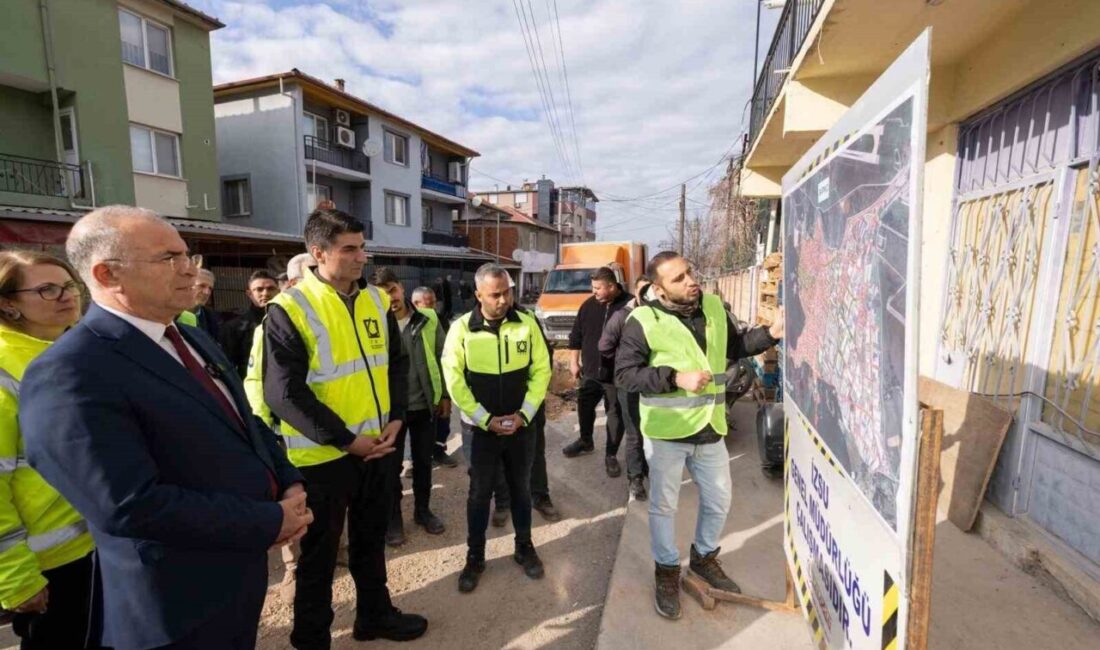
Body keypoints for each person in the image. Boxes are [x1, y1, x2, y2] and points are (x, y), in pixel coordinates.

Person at [19, 205, 312, 650]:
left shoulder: (188, 335)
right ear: (108, 274)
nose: (190, 270)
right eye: (168, 258)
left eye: (187, 256)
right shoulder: (69, 371)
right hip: (174, 606)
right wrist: (267, 520)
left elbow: (241, 420)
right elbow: (127, 504)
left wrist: (288, 482)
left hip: (236, 578)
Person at [262, 208, 426, 647]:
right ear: (318, 253)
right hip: (323, 459)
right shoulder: (290, 309)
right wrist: (347, 440)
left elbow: (395, 363)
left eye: (362, 247)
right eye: (349, 249)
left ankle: (374, 616)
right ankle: (312, 638)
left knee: (370, 542)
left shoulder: (375, 299)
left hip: (377, 447)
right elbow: (284, 394)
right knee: (317, 558)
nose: (361, 257)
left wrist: (395, 418)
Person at [615, 251, 784, 620]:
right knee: (663, 507)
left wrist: (770, 334)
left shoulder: (712, 306)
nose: (691, 280)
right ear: (659, 289)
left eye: (690, 272)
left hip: (710, 427)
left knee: (719, 499)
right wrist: (674, 377)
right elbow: (626, 375)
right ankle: (667, 570)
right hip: (667, 435)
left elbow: (734, 347)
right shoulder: (643, 320)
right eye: (679, 278)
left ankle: (705, 559)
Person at [0, 251, 96, 649]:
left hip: (94, 543)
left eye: (69, 285)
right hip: (47, 563)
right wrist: (15, 576)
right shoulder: (7, 365)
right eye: (46, 289)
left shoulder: (72, 349)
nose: (66, 296)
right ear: (8, 304)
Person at [442, 263, 551, 593]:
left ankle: (524, 547)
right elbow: (454, 381)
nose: (503, 299)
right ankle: (475, 556)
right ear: (479, 295)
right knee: (479, 494)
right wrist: (485, 419)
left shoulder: (527, 324)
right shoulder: (461, 329)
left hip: (520, 426)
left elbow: (541, 371)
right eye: (495, 294)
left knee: (520, 488)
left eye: (507, 292)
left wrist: (524, 414)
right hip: (480, 431)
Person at [242, 252, 317, 603]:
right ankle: (293, 567)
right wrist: (264, 426)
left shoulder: (327, 318)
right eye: (307, 281)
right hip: (287, 430)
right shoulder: (272, 324)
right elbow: (257, 378)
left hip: (325, 431)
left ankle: (336, 550)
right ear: (291, 284)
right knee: (295, 497)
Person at [368, 269, 448, 546]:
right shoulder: (373, 324)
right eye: (381, 293)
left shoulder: (427, 319)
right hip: (390, 412)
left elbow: (442, 358)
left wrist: (445, 396)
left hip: (424, 405)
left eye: (391, 289)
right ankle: (393, 521)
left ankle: (423, 512)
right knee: (390, 468)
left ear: (401, 288)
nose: (389, 297)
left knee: (424, 463)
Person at [563, 267, 631, 477]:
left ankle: (610, 455)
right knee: (584, 405)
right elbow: (576, 336)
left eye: (598, 288)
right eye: (593, 288)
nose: (594, 292)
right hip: (591, 371)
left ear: (612, 286)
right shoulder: (588, 306)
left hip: (616, 374)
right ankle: (585, 440)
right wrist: (574, 362)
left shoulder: (630, 305)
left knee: (614, 414)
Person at [598, 275, 653, 501]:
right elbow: (604, 346)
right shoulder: (623, 316)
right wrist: (623, 362)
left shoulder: (661, 316)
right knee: (634, 432)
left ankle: (651, 470)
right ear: (635, 293)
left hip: (655, 383)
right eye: (643, 291)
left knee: (653, 430)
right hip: (629, 384)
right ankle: (636, 478)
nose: (647, 296)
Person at [410, 286, 458, 469]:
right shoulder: (406, 323)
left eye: (434, 303)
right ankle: (415, 461)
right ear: (415, 304)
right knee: (418, 427)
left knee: (442, 420)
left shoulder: (439, 320)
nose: (433, 307)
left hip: (438, 382)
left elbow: (444, 353)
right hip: (417, 387)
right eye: (428, 304)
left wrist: (446, 391)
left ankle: (439, 452)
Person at [221, 270, 280, 378]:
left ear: (278, 291)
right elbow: (228, 365)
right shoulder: (235, 327)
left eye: (270, 288)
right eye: (259, 289)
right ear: (249, 293)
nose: (265, 293)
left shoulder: (288, 323)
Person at [188, 268, 221, 341]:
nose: (207, 292)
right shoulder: (171, 315)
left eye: (210, 289)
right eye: (202, 286)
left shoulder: (212, 317)